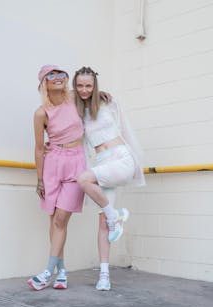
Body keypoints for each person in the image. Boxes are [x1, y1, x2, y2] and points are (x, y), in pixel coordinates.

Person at [74, 66, 145, 291]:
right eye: (80, 85)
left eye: (88, 85)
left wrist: (136, 162)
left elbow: (125, 128)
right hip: (103, 163)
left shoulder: (108, 102)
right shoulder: (77, 111)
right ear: (74, 87)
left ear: (95, 86)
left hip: (121, 158)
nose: (84, 89)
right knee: (103, 222)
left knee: (83, 180)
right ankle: (104, 275)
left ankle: (115, 216)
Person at [27, 64, 86, 291]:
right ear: (44, 83)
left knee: (61, 219)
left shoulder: (75, 99)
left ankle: (47, 271)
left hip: (76, 161)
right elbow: (39, 148)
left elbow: (90, 94)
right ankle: (62, 271)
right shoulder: (41, 113)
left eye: (61, 73)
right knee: (53, 221)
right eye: (51, 75)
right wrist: (40, 178)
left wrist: (102, 94)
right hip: (52, 163)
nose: (58, 77)